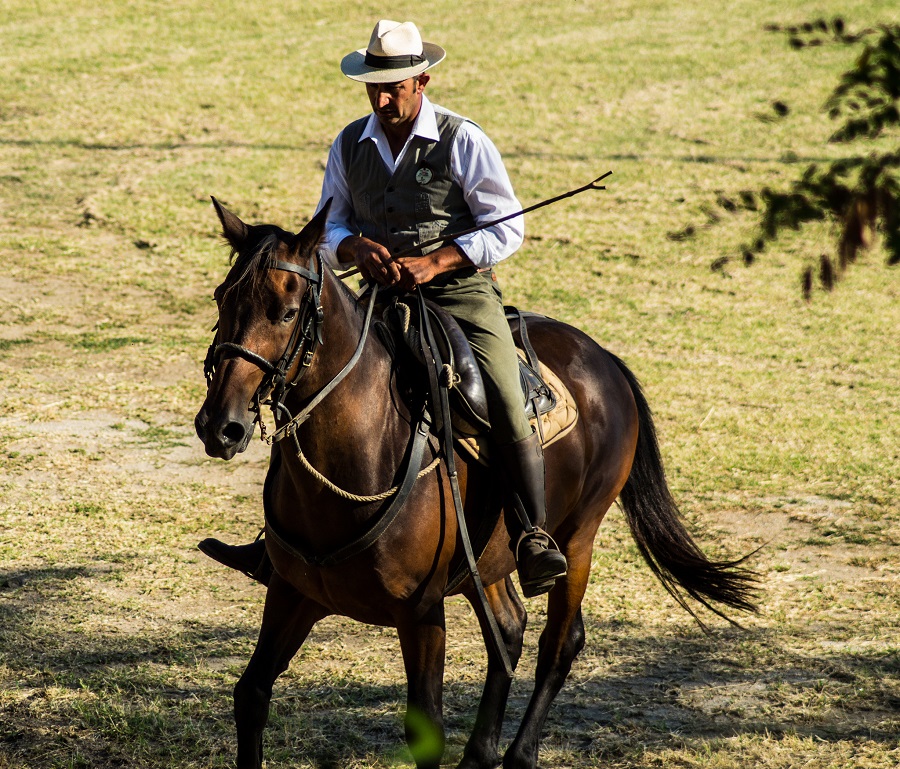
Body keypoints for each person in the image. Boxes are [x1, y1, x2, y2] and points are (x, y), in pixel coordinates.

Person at [199, 19, 567, 598]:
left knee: (495, 388)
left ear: (422, 80)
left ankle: (532, 535)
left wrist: (438, 261)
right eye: (375, 85)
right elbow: (330, 222)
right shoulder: (350, 143)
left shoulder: (463, 138)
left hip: (460, 293)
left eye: (395, 85)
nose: (384, 96)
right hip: (378, 293)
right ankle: (276, 542)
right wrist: (353, 247)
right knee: (301, 385)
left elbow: (508, 228)